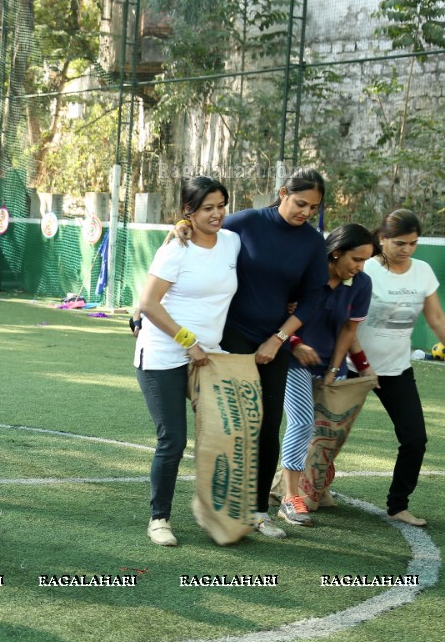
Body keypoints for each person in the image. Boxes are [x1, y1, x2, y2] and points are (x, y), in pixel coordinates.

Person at [213, 167, 329, 539]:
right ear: (282, 193)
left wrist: (278, 338)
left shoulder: (312, 242)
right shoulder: (244, 223)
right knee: (233, 423)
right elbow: (199, 233)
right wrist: (178, 230)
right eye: (300, 203)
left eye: (313, 207)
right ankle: (223, 506)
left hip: (274, 341)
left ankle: (259, 511)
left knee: (268, 423)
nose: (305, 212)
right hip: (231, 334)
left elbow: (313, 298)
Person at [134, 176, 239, 547]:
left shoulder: (232, 242)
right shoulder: (175, 250)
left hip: (209, 359)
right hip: (163, 356)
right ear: (188, 212)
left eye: (221, 205)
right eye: (207, 207)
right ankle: (159, 518)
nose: (217, 214)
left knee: (227, 435)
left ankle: (224, 515)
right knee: (173, 439)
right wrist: (186, 340)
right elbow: (148, 304)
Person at [357, 209, 445, 526]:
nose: (407, 249)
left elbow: (435, 318)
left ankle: (398, 505)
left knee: (415, 440)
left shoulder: (422, 272)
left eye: (413, 243)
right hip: (355, 369)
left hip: (396, 370)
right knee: (325, 436)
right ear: (382, 240)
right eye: (400, 243)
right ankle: (299, 491)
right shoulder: (365, 269)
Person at [276, 224, 375, 527]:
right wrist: (295, 344)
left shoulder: (361, 283)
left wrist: (335, 368)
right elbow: (276, 316)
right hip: (293, 361)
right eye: (356, 259)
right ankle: (289, 497)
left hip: (332, 365)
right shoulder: (306, 274)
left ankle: (313, 485)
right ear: (335, 253)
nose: (360, 267)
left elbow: (349, 329)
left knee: (327, 437)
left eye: (365, 261)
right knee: (303, 422)